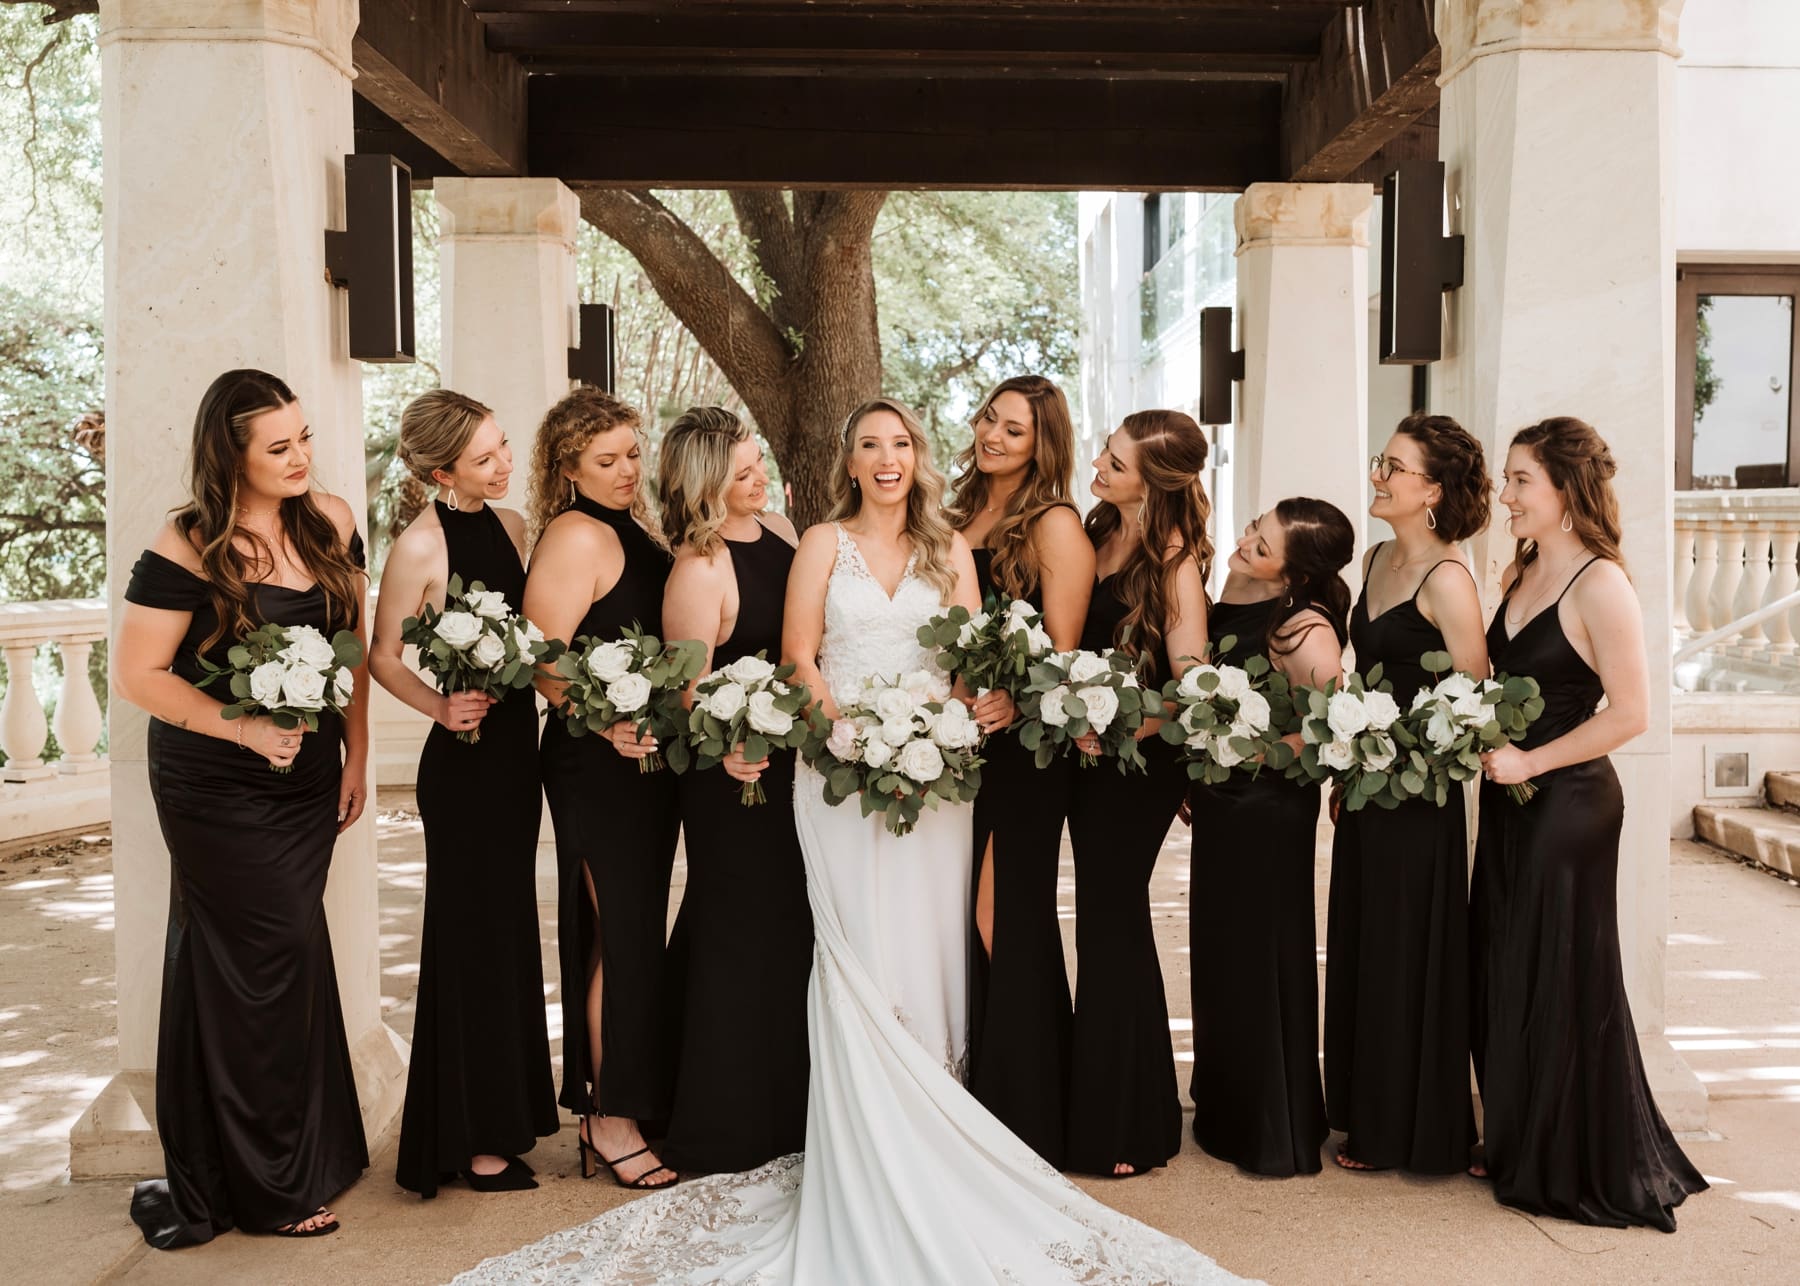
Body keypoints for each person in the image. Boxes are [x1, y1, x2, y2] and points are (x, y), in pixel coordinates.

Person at [445, 399, 1244, 1285]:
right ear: (851, 462)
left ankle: (940, 1117)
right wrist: (850, 742)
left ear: (918, 457)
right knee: (850, 946)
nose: (886, 457)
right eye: (869, 444)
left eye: (900, 442)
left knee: (931, 943)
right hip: (837, 777)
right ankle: (845, 1120)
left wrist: (965, 717)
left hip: (939, 782)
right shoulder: (819, 542)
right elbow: (800, 656)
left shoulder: (951, 548)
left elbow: (974, 658)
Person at [114, 369, 369, 1245]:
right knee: (261, 965)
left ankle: (256, 1158)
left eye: (303, 437)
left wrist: (356, 754)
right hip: (213, 779)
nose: (300, 457)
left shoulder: (332, 519)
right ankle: (268, 1188)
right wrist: (247, 729)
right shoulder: (188, 544)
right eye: (278, 446)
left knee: (268, 961)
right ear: (232, 454)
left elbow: (354, 656)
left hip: (306, 773)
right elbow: (138, 676)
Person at [1473, 416, 1707, 1230]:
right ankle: (1523, 1133)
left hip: (1567, 802)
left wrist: (1532, 763)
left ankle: (1568, 1152)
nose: (1505, 495)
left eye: (1520, 481)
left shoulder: (1602, 584)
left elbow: (1633, 714)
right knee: (1509, 960)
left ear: (1567, 492)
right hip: (1511, 795)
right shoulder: (1524, 569)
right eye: (1507, 480)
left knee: (1560, 969)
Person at [370, 390, 558, 1197]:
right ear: (440, 470)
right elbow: (381, 656)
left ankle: (506, 1119)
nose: (505, 465)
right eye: (485, 459)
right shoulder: (419, 545)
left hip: (517, 759)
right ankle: (471, 1139)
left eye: (505, 446)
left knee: (510, 933)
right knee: (471, 940)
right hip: (465, 763)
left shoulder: (515, 529)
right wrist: (440, 707)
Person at [523, 387, 680, 1190]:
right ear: (568, 467)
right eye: (607, 460)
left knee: (633, 932)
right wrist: (604, 722)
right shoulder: (576, 534)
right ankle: (604, 1118)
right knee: (612, 933)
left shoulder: (632, 526)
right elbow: (542, 657)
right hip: (595, 760)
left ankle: (627, 1097)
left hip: (643, 761)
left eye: (631, 454)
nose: (627, 470)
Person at [1326, 415, 1489, 1175]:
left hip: (1418, 800)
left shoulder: (1449, 579)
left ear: (1432, 489)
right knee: (1363, 939)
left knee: (1401, 948)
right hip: (1365, 786)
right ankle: (1364, 1108)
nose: (1379, 476)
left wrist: (1404, 753)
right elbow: (1364, 679)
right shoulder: (1376, 557)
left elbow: (1475, 699)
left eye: (1394, 467)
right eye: (1379, 461)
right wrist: (1348, 759)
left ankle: (1406, 1128)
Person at [656, 406, 812, 1175]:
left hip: (793, 770)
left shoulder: (781, 531)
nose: (761, 481)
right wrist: (733, 750)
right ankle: (723, 1121)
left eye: (759, 466)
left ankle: (787, 1105)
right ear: (706, 485)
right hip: (731, 777)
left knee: (790, 932)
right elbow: (684, 694)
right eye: (743, 474)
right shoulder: (698, 568)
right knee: (736, 932)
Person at [945, 374, 1093, 1168]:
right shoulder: (957, 513)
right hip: (950, 744)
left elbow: (1065, 654)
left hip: (1024, 750)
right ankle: (973, 1093)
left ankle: (1028, 1110)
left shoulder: (1055, 523)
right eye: (989, 420)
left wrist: (1014, 699)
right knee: (956, 914)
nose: (994, 436)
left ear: (1044, 444)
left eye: (1015, 430)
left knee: (1004, 914)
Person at [1065, 409, 1213, 1178]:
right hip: (1089, 755)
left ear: (1153, 482)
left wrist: (1121, 724)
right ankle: (1122, 1103)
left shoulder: (1175, 562)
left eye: (1116, 462)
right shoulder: (1097, 531)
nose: (1099, 464)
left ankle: (1129, 1123)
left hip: (1140, 763)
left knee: (1114, 918)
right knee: (1101, 920)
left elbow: (1192, 691)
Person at [1188, 499, 1351, 1177]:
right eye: (1257, 525)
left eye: (1267, 541)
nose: (1250, 538)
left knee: (1262, 956)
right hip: (1222, 802)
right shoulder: (1233, 588)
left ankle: (1272, 1126)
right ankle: (1227, 1106)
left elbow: (1338, 726)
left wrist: (1261, 754)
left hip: (1268, 807)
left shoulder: (1304, 628)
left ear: (1297, 571)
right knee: (1220, 953)